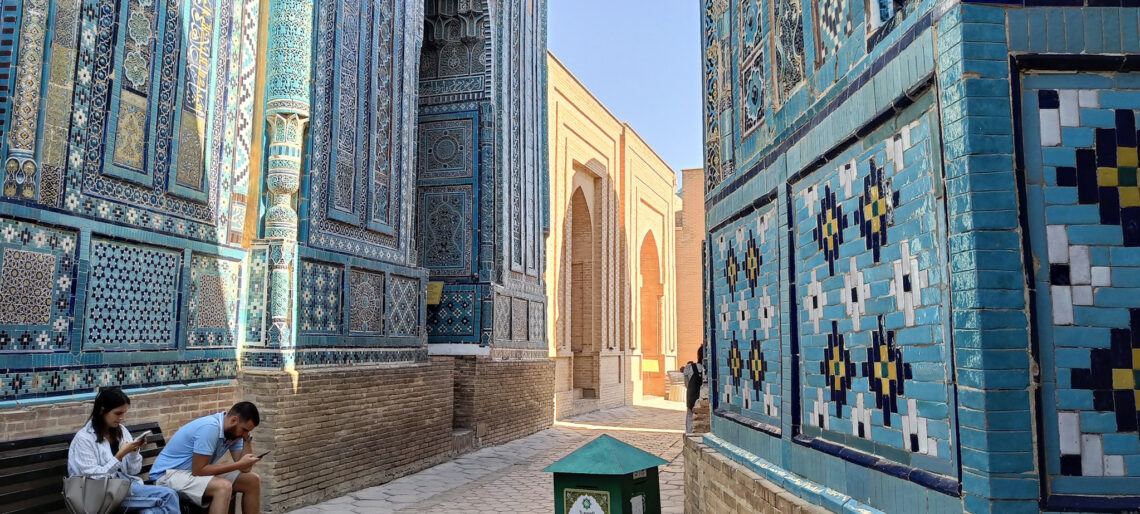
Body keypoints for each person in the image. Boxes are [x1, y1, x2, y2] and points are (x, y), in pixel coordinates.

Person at [67, 387, 181, 514]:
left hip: (122, 488)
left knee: (150, 512)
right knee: (168, 495)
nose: (122, 418)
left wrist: (133, 452)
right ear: (102, 410)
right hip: (98, 496)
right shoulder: (84, 439)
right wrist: (119, 456)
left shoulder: (121, 431)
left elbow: (133, 471)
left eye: (124, 413)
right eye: (118, 413)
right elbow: (94, 479)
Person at [148, 402, 263, 514]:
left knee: (252, 480)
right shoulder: (210, 428)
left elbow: (245, 469)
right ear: (234, 420)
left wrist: (247, 439)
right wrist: (239, 464)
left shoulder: (233, 433)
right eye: (245, 430)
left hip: (190, 474)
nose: (244, 434)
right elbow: (199, 470)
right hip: (167, 476)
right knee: (223, 487)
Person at [683, 342, 707, 433]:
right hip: (705, 402)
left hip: (692, 399)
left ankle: (690, 434)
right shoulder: (711, 369)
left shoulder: (690, 368)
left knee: (690, 420)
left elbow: (687, 384)